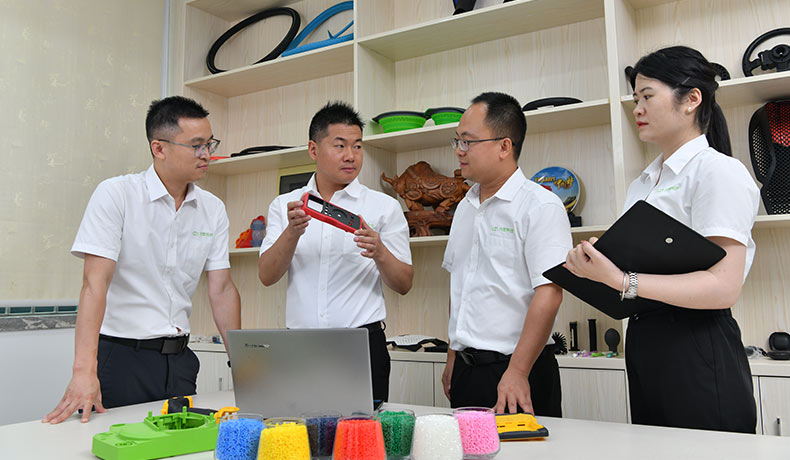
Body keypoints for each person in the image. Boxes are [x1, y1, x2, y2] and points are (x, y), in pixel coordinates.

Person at [564, 46, 759, 433]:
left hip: (697, 343)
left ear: (691, 99)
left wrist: (622, 280)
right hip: (645, 340)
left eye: (647, 96)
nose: (637, 108)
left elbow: (724, 287)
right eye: (635, 98)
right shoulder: (643, 183)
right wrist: (596, 268)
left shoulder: (718, 171)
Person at [43, 96, 241, 424]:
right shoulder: (117, 195)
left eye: (209, 144)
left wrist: (242, 362)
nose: (207, 154)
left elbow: (221, 289)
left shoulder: (213, 209)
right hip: (122, 360)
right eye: (196, 146)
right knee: (114, 443)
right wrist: (83, 371)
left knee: (182, 446)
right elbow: (94, 285)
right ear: (159, 148)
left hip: (180, 362)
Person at [257, 101, 413, 402]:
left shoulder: (384, 207)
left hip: (362, 345)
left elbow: (404, 283)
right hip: (299, 346)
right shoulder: (285, 205)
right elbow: (266, 276)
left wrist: (379, 251)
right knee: (301, 428)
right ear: (313, 150)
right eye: (340, 145)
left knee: (363, 431)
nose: (351, 156)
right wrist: (292, 232)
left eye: (358, 146)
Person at [441, 92, 571, 415]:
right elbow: (460, 287)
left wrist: (518, 371)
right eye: (457, 140)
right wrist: (453, 355)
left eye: (468, 141)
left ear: (504, 146)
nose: (459, 150)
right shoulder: (464, 208)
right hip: (466, 370)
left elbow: (550, 293)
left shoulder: (541, 206)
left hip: (518, 370)